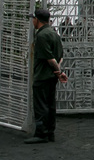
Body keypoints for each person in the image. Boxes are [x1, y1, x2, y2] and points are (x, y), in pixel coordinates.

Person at [26, 9, 68, 144]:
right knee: (50, 105)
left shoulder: (42, 35)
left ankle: (41, 134)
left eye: (33, 18)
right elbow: (60, 56)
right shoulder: (54, 34)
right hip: (51, 77)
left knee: (41, 106)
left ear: (37, 19)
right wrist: (58, 72)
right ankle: (50, 133)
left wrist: (59, 72)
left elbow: (50, 59)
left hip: (42, 76)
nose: (32, 21)